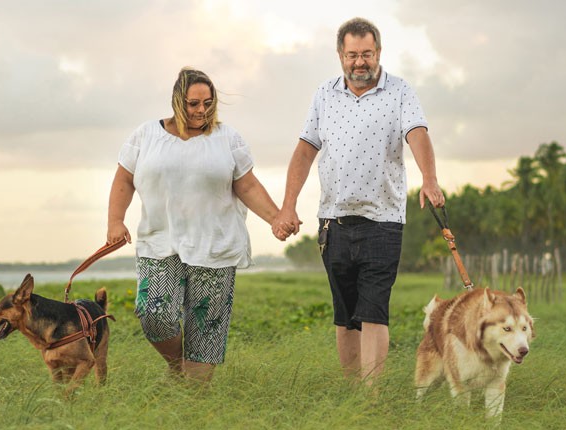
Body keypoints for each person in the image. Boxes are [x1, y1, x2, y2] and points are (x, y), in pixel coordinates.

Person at [271, 17, 446, 387]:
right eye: (352, 55)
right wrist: (288, 206)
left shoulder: (400, 91)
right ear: (340, 55)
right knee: (346, 313)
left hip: (383, 220)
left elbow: (417, 134)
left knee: (373, 311)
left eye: (367, 54)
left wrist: (429, 179)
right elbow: (304, 151)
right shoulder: (324, 94)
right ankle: (353, 392)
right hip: (333, 221)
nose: (360, 62)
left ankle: (371, 398)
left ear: (378, 53)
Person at [107, 67, 280, 382]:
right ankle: (176, 366)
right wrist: (115, 222)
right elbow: (124, 178)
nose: (201, 110)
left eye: (208, 103)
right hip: (160, 243)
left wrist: (276, 218)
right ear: (177, 101)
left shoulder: (227, 138)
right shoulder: (146, 135)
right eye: (193, 104)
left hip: (215, 245)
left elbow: (248, 186)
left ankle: (193, 407)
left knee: (205, 333)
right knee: (153, 314)